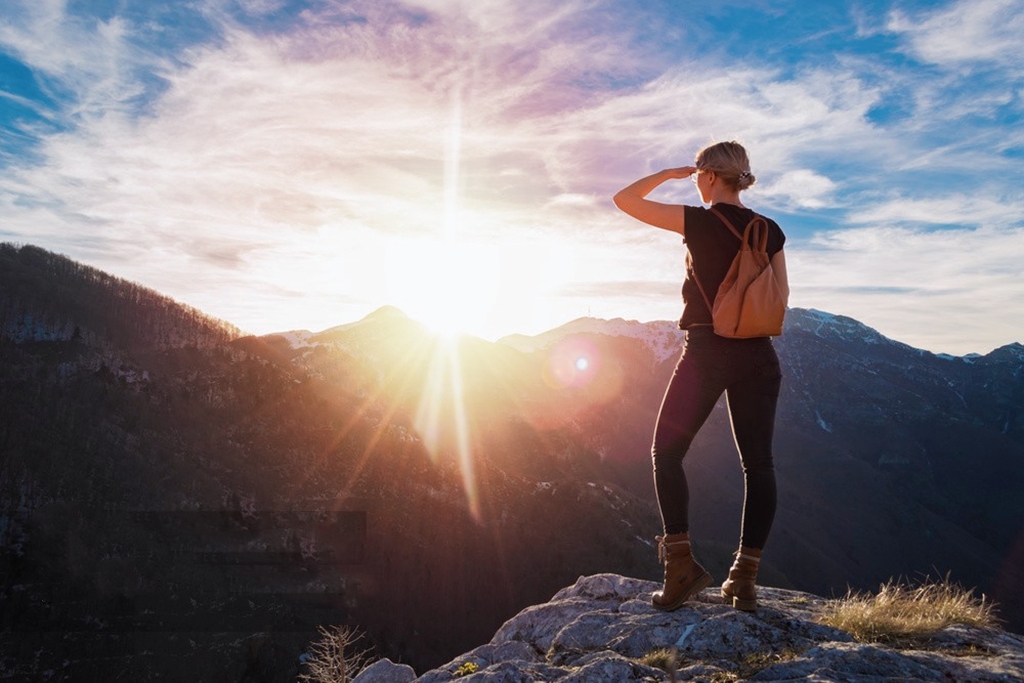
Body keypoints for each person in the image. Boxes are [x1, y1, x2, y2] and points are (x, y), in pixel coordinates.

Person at [612, 140, 789, 612]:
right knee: (759, 466)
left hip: (707, 351)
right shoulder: (769, 230)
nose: (694, 182)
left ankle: (681, 569)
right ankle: (744, 579)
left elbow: (624, 201)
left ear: (709, 176)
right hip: (759, 355)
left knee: (666, 453)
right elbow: (779, 296)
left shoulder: (698, 220)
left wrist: (667, 174)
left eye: (696, 175)